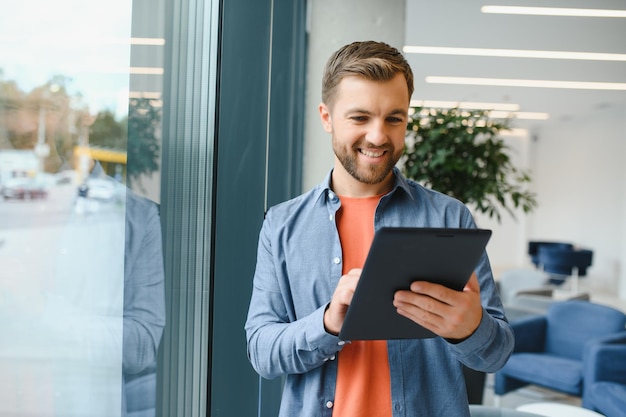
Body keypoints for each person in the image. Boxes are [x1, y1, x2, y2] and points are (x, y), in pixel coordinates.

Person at [245, 40, 514, 417]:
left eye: (394, 118)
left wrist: (471, 329)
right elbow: (261, 352)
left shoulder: (449, 218)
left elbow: (496, 353)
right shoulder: (282, 224)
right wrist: (327, 323)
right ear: (327, 117)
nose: (378, 136)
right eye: (360, 118)